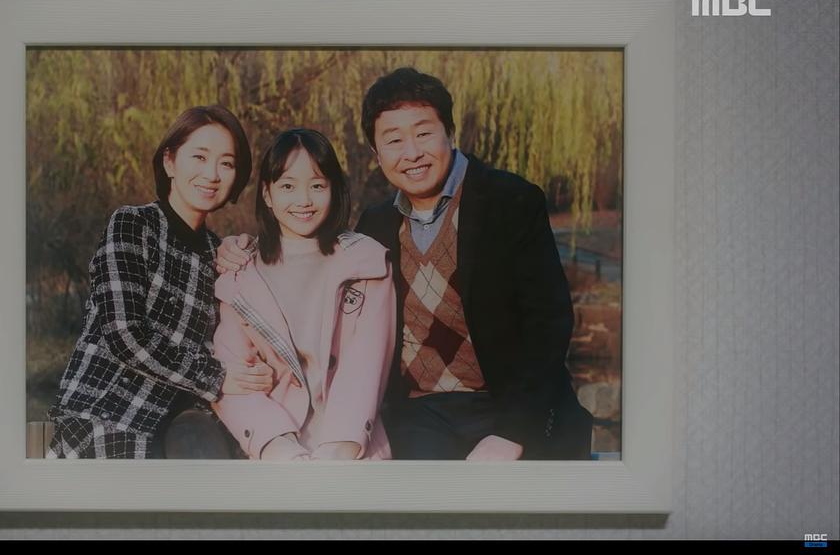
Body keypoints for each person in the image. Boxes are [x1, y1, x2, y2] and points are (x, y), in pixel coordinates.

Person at [217, 68, 593, 460]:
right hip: (420, 415)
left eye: (423, 133)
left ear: (450, 132)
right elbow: (309, 255)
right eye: (394, 140)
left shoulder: (510, 201)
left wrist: (513, 432)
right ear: (377, 153)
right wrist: (240, 247)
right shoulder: (377, 226)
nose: (411, 153)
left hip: (507, 405)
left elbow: (548, 323)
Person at [47, 105, 273, 459]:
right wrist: (215, 377)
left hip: (179, 425)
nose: (212, 174)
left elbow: (226, 342)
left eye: (226, 163)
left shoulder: (219, 255)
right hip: (106, 418)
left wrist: (257, 372)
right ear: (169, 162)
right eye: (199, 157)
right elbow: (123, 334)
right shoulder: (133, 225)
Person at [211, 129, 396, 461]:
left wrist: (339, 451)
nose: (304, 200)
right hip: (274, 447)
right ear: (267, 194)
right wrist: (278, 448)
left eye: (317, 186)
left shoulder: (366, 263)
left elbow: (366, 367)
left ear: (334, 190)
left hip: (352, 449)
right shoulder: (241, 273)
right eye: (287, 186)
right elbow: (235, 375)